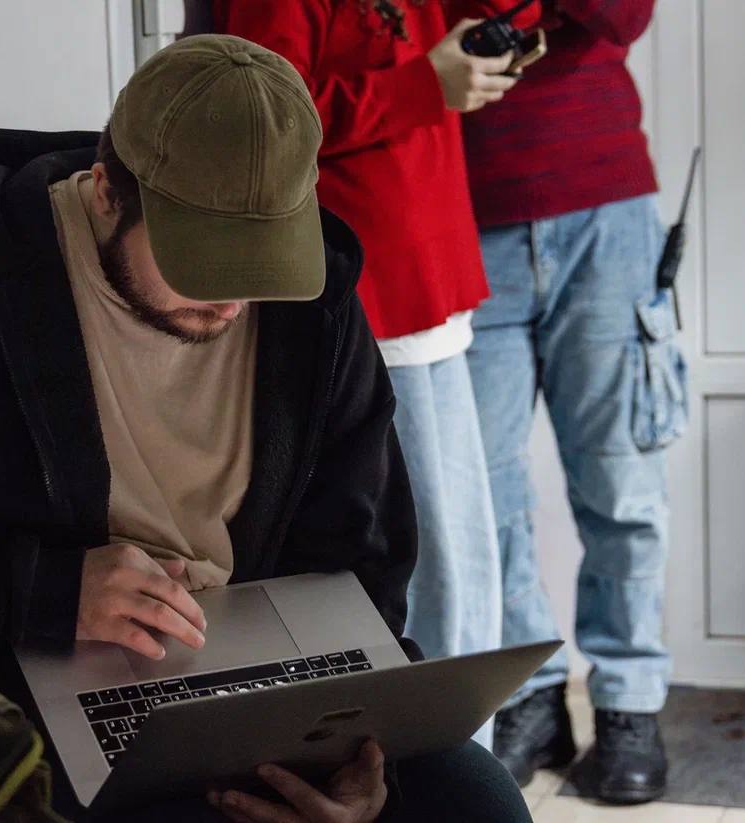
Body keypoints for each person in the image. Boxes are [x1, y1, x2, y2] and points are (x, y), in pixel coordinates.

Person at [0, 33, 531, 823]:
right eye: (202, 265)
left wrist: (354, 746)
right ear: (107, 191)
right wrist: (41, 589)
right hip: (34, 681)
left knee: (479, 803)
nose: (233, 303)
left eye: (263, 265)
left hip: (270, 683)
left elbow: (364, 557)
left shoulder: (313, 310)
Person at [214, 0, 519, 749]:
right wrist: (420, 87)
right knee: (423, 562)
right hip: (369, 284)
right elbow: (261, 120)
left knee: (467, 554)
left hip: (433, 273)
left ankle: (464, 760)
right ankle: (434, 767)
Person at [461, 0, 682, 804]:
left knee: (622, 480)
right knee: (483, 493)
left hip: (603, 204)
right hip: (462, 215)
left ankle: (630, 700)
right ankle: (532, 695)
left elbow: (626, 15)